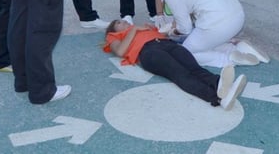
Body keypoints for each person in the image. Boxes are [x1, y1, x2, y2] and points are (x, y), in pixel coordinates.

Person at [142, 0, 269, 68]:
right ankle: (239, 49)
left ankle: (228, 59)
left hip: (219, 23)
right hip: (237, 14)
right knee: (202, 41)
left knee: (185, 52)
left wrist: (172, 32)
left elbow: (185, 29)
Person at [103, 19, 247, 110]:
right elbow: (121, 51)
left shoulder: (142, 28)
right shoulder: (114, 36)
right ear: (114, 30)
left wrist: (158, 29)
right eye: (119, 23)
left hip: (166, 44)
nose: (124, 22)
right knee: (180, 74)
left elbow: (165, 34)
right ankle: (215, 97)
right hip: (148, 52)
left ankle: (220, 84)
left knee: (194, 68)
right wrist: (134, 30)